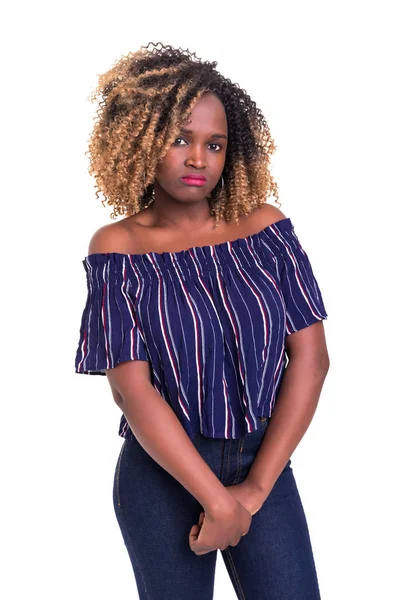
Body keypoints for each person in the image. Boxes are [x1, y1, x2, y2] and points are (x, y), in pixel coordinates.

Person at [74, 42, 330, 600]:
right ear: (140, 141)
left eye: (214, 144)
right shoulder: (119, 248)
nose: (198, 159)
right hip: (162, 473)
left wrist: (257, 488)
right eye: (180, 139)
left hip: (262, 457)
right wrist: (215, 500)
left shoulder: (266, 230)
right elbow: (132, 390)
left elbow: (311, 359)